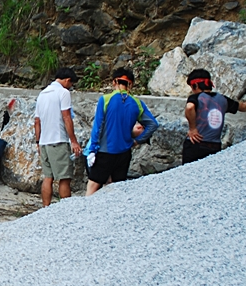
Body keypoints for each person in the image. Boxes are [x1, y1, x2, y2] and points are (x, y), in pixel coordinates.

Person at [86, 68, 158, 196]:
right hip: (124, 152)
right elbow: (153, 124)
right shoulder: (137, 103)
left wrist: (92, 150)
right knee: (116, 189)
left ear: (114, 81)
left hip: (105, 151)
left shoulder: (106, 100)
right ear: (130, 84)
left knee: (93, 186)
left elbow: (97, 127)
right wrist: (137, 141)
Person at [183, 68, 246, 164]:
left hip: (195, 144)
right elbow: (242, 107)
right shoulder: (223, 99)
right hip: (215, 145)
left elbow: (190, 107)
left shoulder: (196, 98)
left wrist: (193, 128)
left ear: (195, 85)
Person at [34, 67, 83, 206]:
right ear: (67, 80)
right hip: (59, 140)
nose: (71, 87)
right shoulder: (63, 93)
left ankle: (46, 207)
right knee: (64, 177)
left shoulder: (42, 94)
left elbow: (37, 121)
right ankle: (65, 210)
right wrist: (73, 141)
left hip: (44, 142)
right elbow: (66, 117)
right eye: (71, 84)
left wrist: (38, 142)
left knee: (48, 177)